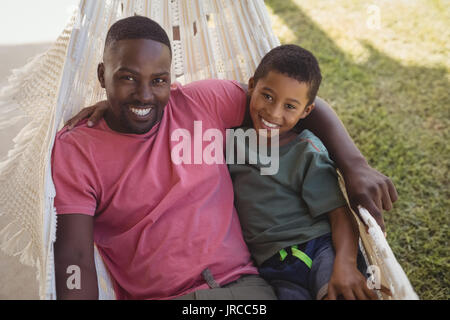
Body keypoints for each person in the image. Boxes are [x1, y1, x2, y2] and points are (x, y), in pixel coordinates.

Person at [54, 16, 396, 300]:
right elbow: (74, 257)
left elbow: (298, 104)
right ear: (102, 76)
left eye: (158, 81)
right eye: (127, 78)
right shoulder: (78, 148)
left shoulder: (203, 103)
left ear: (170, 80)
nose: (144, 94)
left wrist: (354, 165)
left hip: (245, 290)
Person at [228, 44, 377, 300]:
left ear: (306, 111)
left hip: (319, 249)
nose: (273, 113)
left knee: (341, 293)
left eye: (289, 106)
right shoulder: (230, 142)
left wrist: (345, 264)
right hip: (273, 269)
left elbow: (339, 215)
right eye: (267, 96)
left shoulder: (306, 151)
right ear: (251, 86)